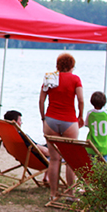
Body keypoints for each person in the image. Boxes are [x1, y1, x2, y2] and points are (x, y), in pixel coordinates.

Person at [39, 52, 82, 201]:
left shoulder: (50, 78)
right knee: (71, 159)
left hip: (50, 120)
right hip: (69, 120)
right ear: (71, 66)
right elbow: (81, 100)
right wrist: (81, 116)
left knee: (54, 159)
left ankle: (53, 194)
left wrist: (43, 117)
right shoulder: (75, 79)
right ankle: (70, 195)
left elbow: (41, 100)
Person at [84, 91, 107, 162]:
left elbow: (87, 124)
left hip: (92, 146)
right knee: (104, 168)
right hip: (105, 146)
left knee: (92, 167)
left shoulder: (90, 114)